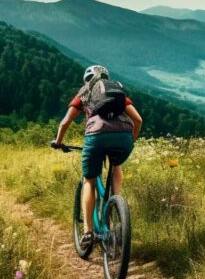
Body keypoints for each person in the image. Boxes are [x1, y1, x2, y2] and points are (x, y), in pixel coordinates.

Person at [52, 65, 142, 247]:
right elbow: (138, 120)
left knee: (89, 181)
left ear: (87, 80)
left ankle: (87, 231)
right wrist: (130, 140)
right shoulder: (116, 92)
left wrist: (58, 141)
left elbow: (65, 122)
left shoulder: (85, 92)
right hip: (124, 137)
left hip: (96, 136)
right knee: (116, 164)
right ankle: (116, 201)